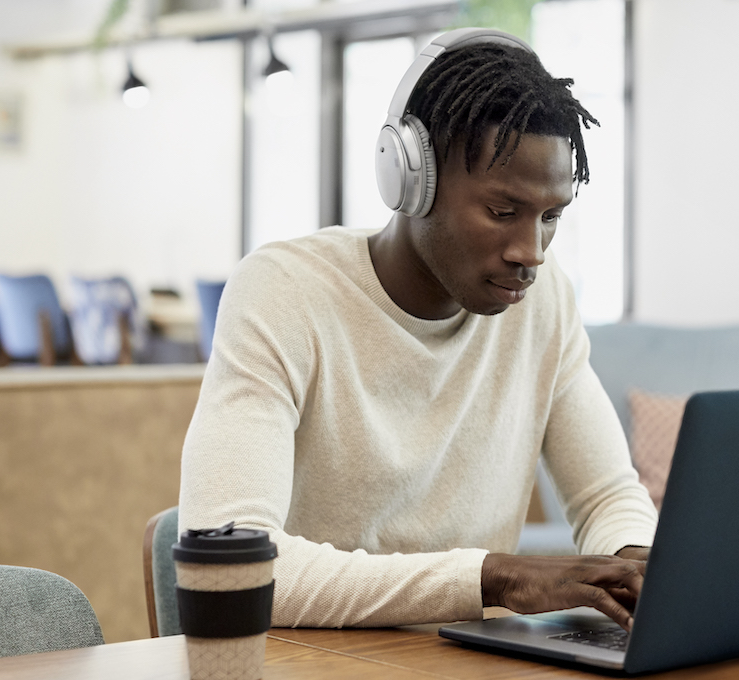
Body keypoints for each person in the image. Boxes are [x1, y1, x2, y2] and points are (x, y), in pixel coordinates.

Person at [178, 33, 657, 632]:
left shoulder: (544, 298)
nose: (530, 252)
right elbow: (232, 570)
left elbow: (607, 494)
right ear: (410, 179)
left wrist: (635, 566)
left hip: (468, 664)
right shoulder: (283, 293)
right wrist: (496, 578)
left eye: (551, 216)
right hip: (316, 663)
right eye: (504, 212)